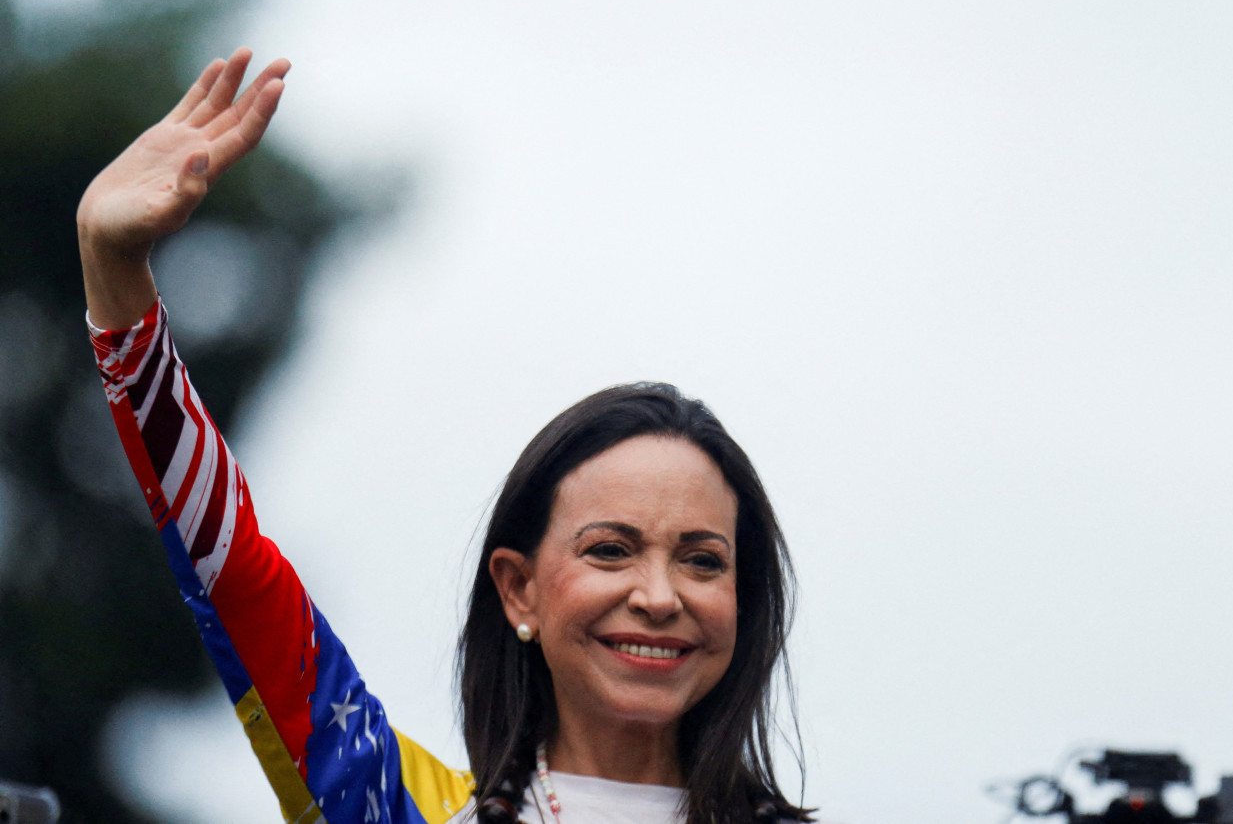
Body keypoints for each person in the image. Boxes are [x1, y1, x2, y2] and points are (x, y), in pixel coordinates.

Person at [78, 48, 818, 824]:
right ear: (517, 587)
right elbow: (227, 563)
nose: (660, 596)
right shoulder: (395, 805)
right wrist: (114, 270)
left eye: (703, 560)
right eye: (610, 549)